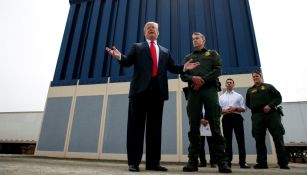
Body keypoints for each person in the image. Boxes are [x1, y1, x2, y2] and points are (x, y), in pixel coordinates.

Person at [105, 22, 199, 172]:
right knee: (136, 128)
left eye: (153, 28)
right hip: (139, 92)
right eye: (148, 28)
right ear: (144, 33)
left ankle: (153, 163)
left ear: (158, 33)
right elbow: (127, 61)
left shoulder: (165, 51)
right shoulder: (137, 47)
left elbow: (172, 67)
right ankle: (134, 162)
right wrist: (119, 56)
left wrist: (183, 67)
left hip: (157, 93)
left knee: (155, 129)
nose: (151, 29)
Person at [180, 32, 231, 173]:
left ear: (203, 40)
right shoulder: (188, 57)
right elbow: (183, 74)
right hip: (193, 92)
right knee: (193, 126)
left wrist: (202, 80)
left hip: (209, 90)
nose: (194, 41)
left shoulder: (212, 54)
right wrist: (193, 79)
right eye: (192, 39)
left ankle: (222, 162)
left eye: (197, 38)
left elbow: (218, 70)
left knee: (215, 124)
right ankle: (192, 162)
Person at [246, 70, 290, 169]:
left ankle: (283, 163)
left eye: (257, 76)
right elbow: (248, 103)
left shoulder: (269, 86)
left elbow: (278, 97)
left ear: (260, 76)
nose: (255, 78)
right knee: (259, 139)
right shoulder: (250, 90)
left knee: (278, 138)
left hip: (272, 114)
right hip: (257, 116)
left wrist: (270, 105)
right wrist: (256, 109)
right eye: (254, 77)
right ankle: (262, 163)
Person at [219, 78, 250, 168]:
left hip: (237, 117)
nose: (229, 84)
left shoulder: (239, 96)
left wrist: (235, 109)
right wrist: (225, 110)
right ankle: (228, 162)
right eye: (227, 83)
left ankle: (242, 162)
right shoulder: (221, 97)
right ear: (225, 85)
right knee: (227, 141)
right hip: (226, 118)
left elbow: (244, 109)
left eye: (231, 83)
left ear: (233, 85)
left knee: (240, 140)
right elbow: (219, 110)